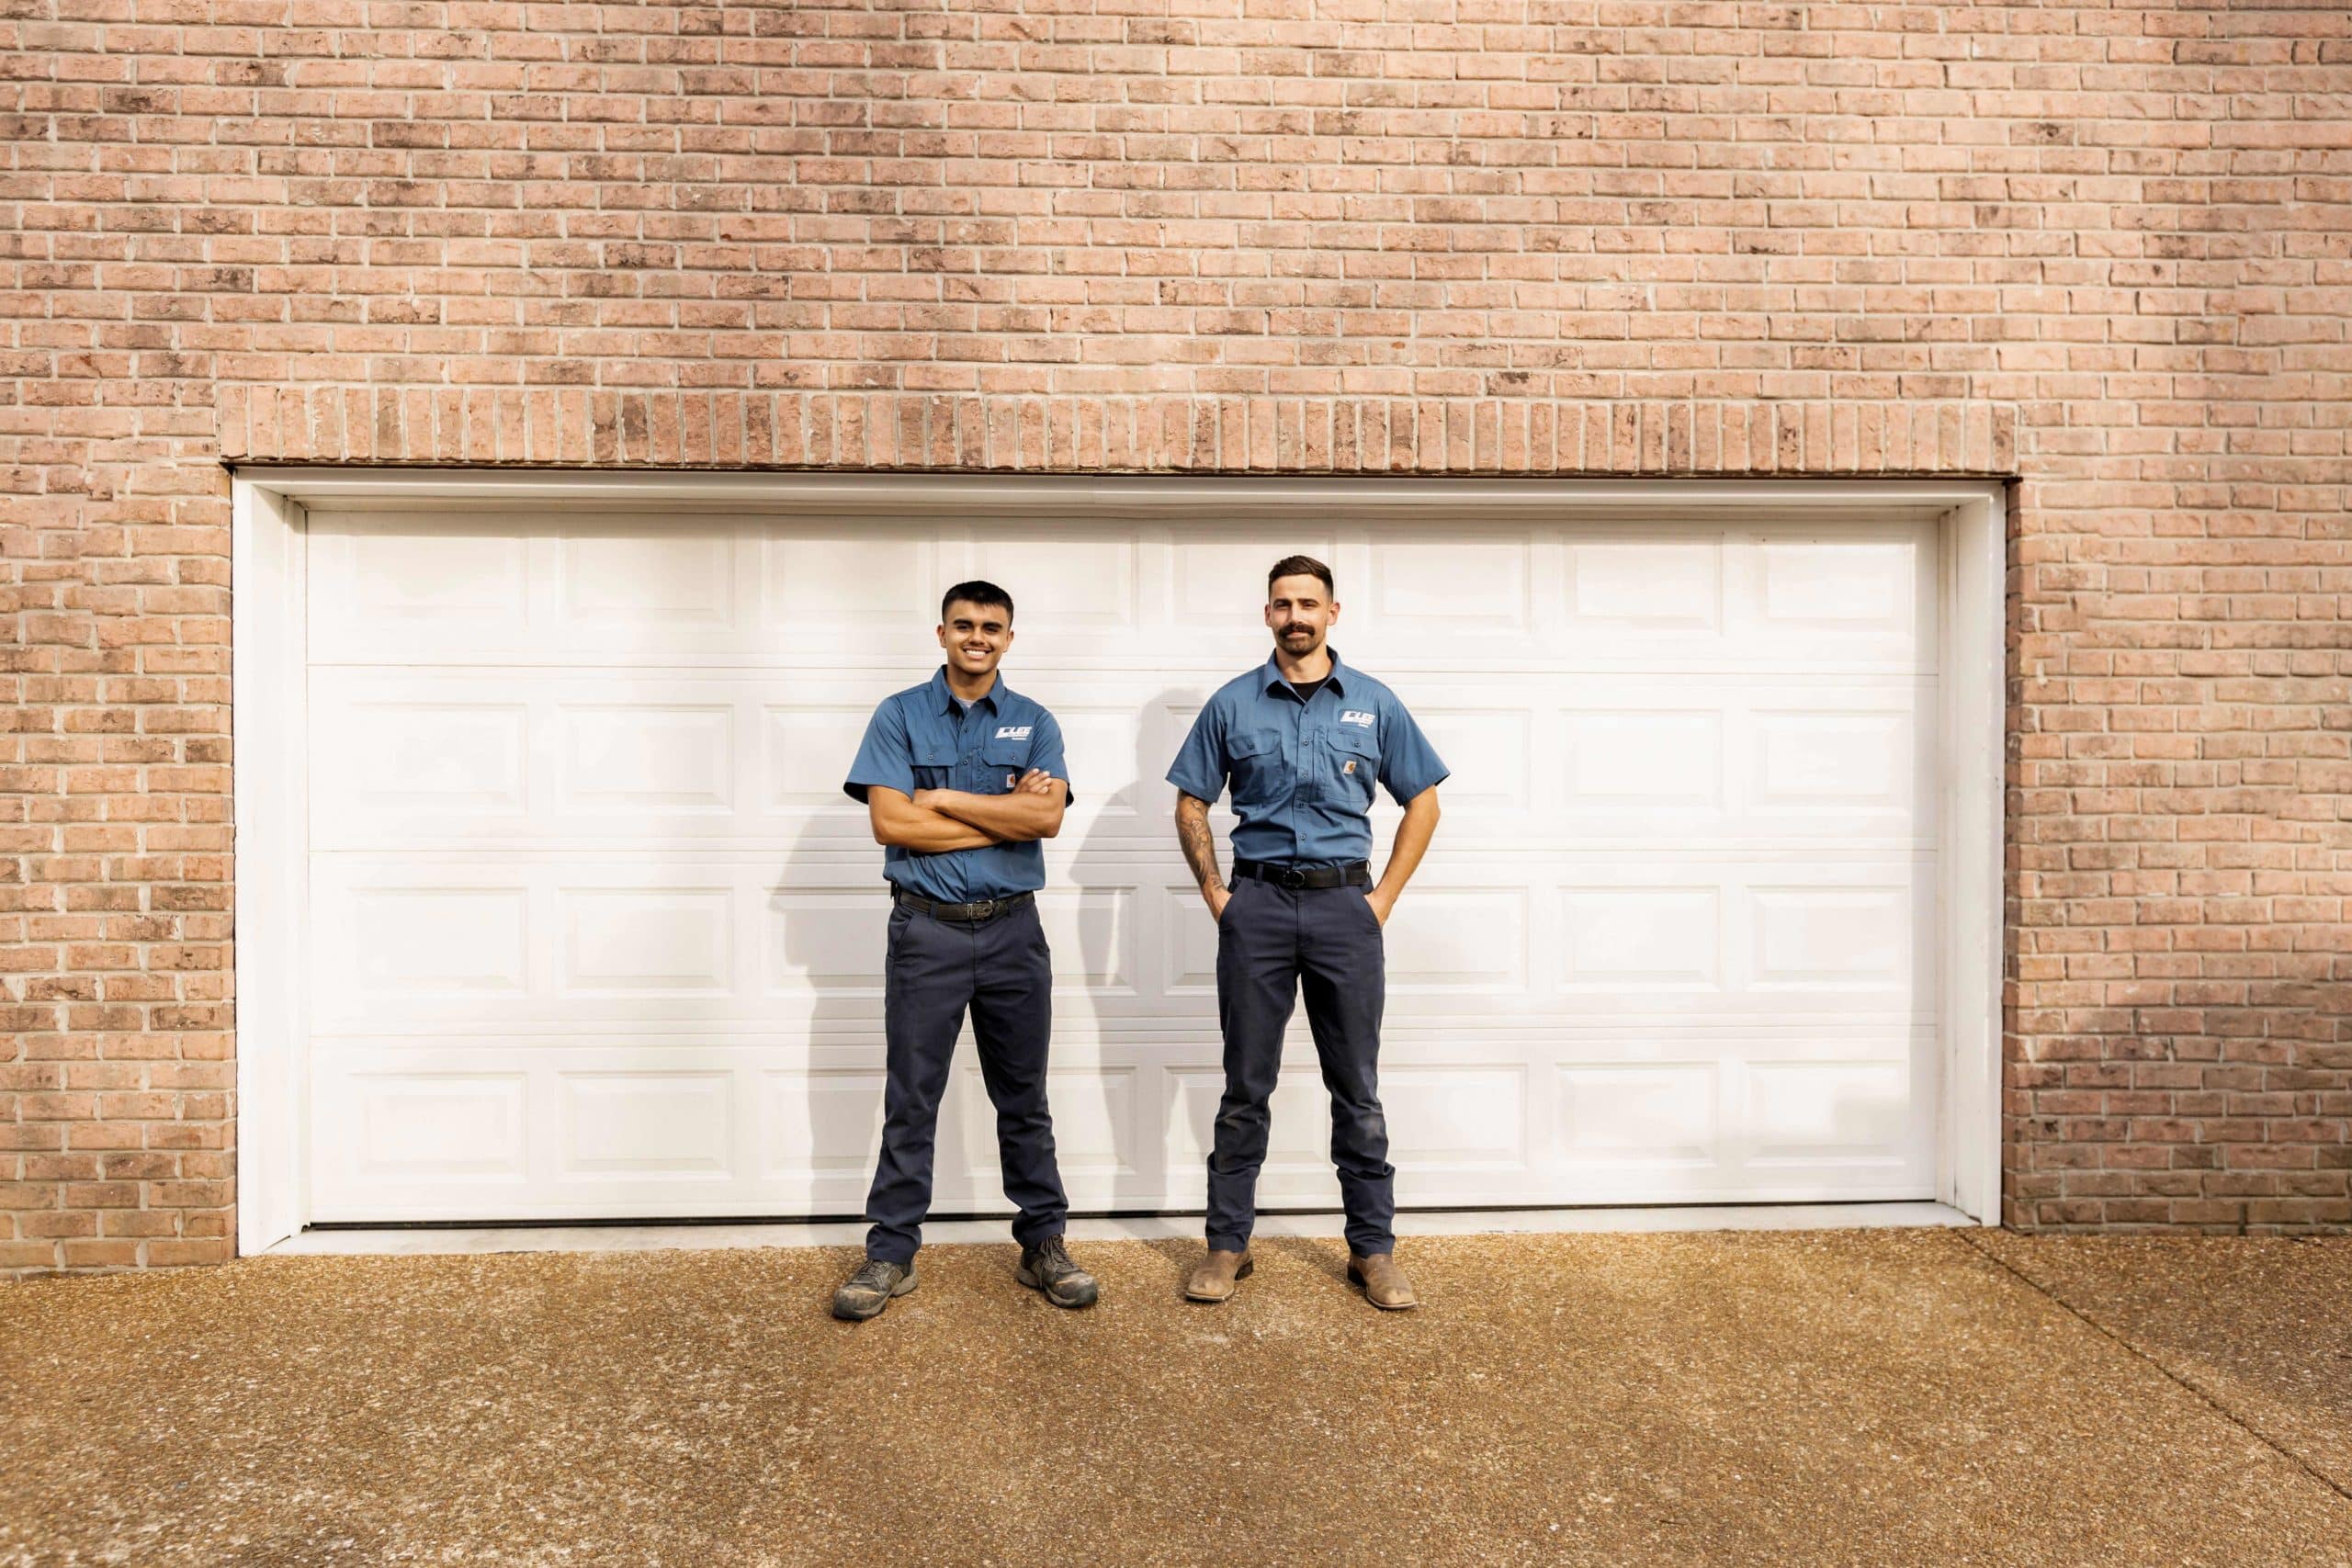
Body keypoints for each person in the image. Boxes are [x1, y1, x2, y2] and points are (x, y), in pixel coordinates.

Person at [1166, 555, 1448, 1310]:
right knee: (1244, 1088)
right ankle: (1227, 1245)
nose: (1296, 616)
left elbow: (1423, 801)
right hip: (1256, 908)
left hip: (1343, 912)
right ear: (1267, 615)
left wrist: (1380, 900)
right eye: (1283, 603)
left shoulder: (1374, 703)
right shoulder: (1232, 704)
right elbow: (1191, 803)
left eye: (1309, 603)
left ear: (1333, 612)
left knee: (1356, 1089)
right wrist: (1218, 894)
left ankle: (1373, 1250)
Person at [830, 581, 1099, 1321]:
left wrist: (941, 800)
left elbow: (1046, 819)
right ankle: (890, 1251)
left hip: (1014, 932)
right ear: (941, 632)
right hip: (927, 932)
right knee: (911, 1098)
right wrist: (1003, 815)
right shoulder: (900, 715)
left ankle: (1043, 1242)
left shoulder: (1035, 721)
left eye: (992, 626)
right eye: (964, 625)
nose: (977, 636)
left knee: (1024, 1098)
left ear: (1010, 638)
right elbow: (890, 822)